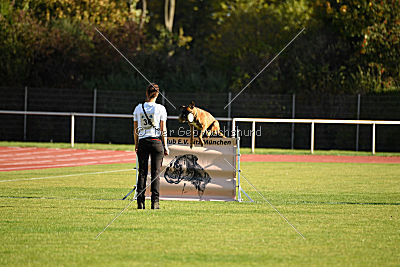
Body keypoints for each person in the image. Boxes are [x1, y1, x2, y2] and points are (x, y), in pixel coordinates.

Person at [133, 83, 169, 209]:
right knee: (155, 173)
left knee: (142, 173)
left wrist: (136, 145)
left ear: (146, 93)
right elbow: (163, 129)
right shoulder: (161, 109)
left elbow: (136, 130)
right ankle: (155, 202)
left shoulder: (138, 108)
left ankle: (140, 201)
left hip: (143, 141)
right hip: (156, 142)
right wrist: (165, 146)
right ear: (157, 94)